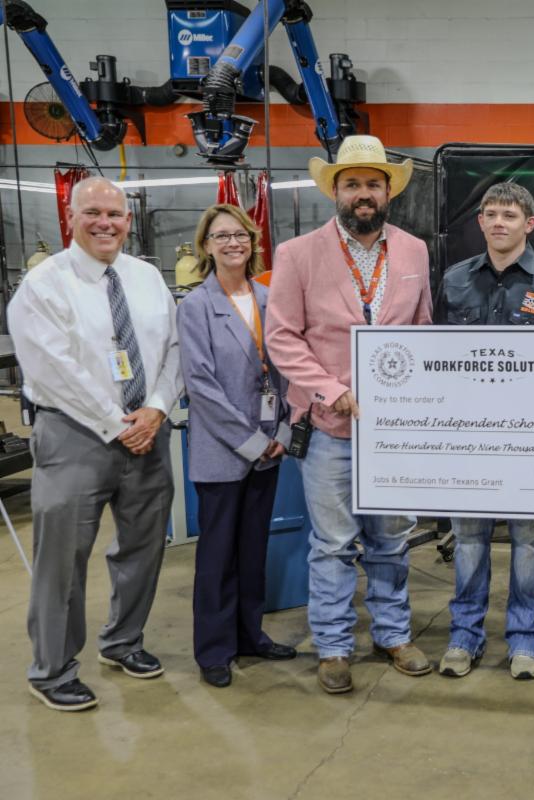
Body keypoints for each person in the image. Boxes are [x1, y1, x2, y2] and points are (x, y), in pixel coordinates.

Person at [265, 135, 434, 694]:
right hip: (330, 428)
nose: (364, 193)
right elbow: (283, 337)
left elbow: (422, 333)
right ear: (334, 191)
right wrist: (328, 389)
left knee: (390, 538)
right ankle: (334, 645)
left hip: (392, 433)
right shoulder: (296, 254)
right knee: (333, 542)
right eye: (353, 183)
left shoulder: (413, 251)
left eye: (373, 184)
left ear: (389, 191)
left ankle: (393, 634)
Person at [9, 176, 183, 711]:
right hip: (74, 435)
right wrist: (118, 423)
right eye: (94, 213)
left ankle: (123, 641)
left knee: (144, 545)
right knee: (63, 556)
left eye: (116, 214)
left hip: (147, 431)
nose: (106, 223)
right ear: (71, 217)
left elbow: (175, 348)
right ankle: (53, 669)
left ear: (129, 221)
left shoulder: (148, 277)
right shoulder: (43, 286)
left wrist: (155, 408)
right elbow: (53, 369)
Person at [434, 182, 534, 680]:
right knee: (470, 539)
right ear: (480, 222)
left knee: (530, 543)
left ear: (529, 224)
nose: (499, 222)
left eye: (510, 215)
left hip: (532, 438)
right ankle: (464, 637)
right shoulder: (454, 281)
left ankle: (525, 639)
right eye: (491, 214)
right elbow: (433, 360)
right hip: (468, 438)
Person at [177, 204, 297, 689]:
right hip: (225, 452)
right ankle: (214, 649)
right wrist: (252, 441)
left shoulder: (272, 298)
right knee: (217, 556)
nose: (233, 243)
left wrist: (283, 434)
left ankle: (251, 636)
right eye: (221, 236)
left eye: (241, 235)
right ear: (206, 245)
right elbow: (200, 385)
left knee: (252, 551)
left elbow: (289, 370)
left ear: (252, 242)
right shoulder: (195, 307)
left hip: (271, 446)